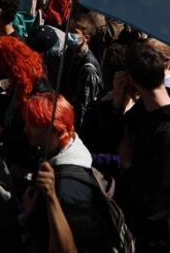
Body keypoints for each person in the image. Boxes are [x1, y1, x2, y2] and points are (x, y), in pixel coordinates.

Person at [112, 39, 170, 253]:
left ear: (132, 79)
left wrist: (127, 166)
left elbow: (156, 205)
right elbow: (114, 138)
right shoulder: (147, 110)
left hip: (165, 240)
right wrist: (117, 106)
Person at [21, 91, 124, 253]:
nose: (25, 129)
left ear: (55, 130)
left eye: (32, 124)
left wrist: (31, 215)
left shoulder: (67, 189)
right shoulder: (63, 154)